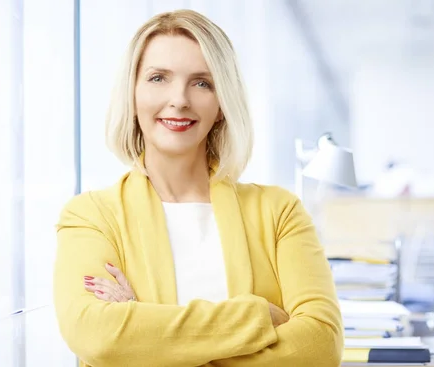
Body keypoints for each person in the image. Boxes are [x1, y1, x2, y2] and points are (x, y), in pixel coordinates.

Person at [53, 9, 343, 367]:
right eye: (158, 78)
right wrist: (259, 317)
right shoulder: (91, 216)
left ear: (222, 103)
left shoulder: (280, 212)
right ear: (132, 93)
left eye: (202, 82)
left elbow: (319, 345)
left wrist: (145, 332)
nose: (179, 99)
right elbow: (95, 336)